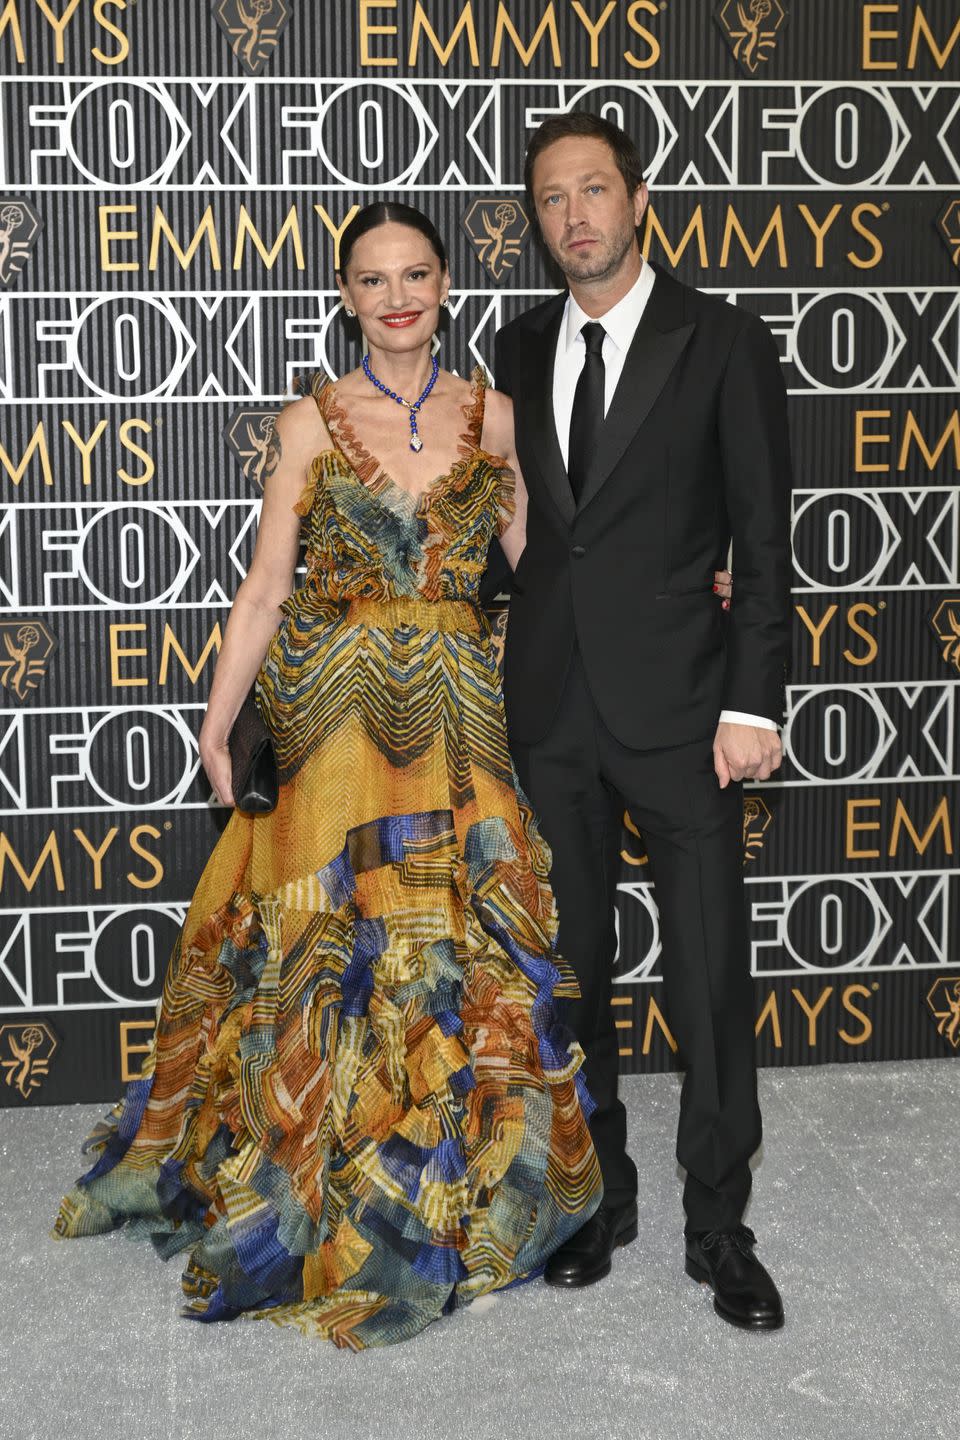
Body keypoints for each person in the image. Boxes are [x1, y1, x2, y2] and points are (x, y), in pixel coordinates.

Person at [52, 201, 605, 1349]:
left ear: (446, 284)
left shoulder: (498, 418)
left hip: (458, 705)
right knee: (324, 951)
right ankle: (318, 1173)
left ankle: (440, 1188)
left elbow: (544, 571)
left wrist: (662, 606)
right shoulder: (308, 423)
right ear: (346, 295)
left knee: (457, 950)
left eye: (416, 273)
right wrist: (216, 722)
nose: (397, 295)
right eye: (373, 278)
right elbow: (264, 587)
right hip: (331, 710)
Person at [494, 113, 792, 1331]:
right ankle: (598, 1194)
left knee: (710, 974)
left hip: (685, 711)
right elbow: (519, 535)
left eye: (594, 191)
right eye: (553, 199)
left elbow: (764, 542)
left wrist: (753, 699)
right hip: (554, 707)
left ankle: (719, 1222)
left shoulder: (720, 339)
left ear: (639, 199)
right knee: (575, 970)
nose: (575, 216)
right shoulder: (514, 348)